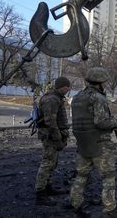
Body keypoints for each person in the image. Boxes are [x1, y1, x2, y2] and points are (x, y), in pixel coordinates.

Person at [70, 67, 117, 217]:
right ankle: (110, 209)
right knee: (108, 176)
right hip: (99, 143)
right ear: (100, 82)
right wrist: (115, 122)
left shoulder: (77, 97)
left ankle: (75, 204)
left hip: (83, 143)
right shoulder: (98, 98)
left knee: (81, 175)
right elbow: (101, 123)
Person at [35, 76, 71, 206]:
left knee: (52, 163)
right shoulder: (51, 99)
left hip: (52, 136)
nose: (68, 89)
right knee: (47, 163)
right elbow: (50, 122)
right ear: (62, 86)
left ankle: (47, 187)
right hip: (50, 137)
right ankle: (40, 194)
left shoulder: (55, 98)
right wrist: (58, 138)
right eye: (67, 87)